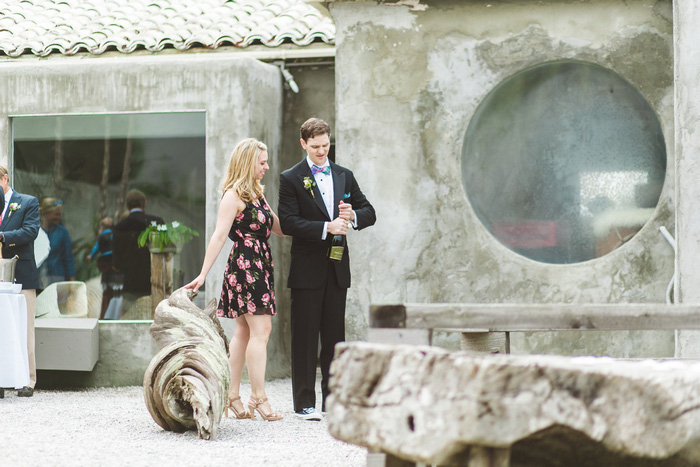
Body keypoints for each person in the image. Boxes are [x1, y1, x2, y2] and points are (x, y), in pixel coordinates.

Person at [278, 118, 376, 420]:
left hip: (336, 269)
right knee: (305, 339)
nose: (322, 151)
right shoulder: (291, 178)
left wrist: (352, 216)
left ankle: (332, 402)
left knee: (335, 339)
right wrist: (326, 227)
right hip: (307, 270)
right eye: (316, 146)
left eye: (326, 145)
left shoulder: (344, 175)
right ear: (303, 143)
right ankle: (304, 404)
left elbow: (370, 212)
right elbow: (288, 221)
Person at [186, 138, 284, 422]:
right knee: (261, 330)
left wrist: (317, 222)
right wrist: (203, 274)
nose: (266, 166)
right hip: (245, 266)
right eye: (262, 162)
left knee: (243, 331)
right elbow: (218, 236)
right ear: (248, 162)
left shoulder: (258, 194)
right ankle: (259, 397)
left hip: (260, 264)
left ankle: (232, 397)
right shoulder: (233, 195)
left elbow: (279, 228)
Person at [0, 165, 41, 397]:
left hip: (22, 273)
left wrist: (3, 236)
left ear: (5, 179)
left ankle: (28, 380)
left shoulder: (27, 202)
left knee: (25, 329)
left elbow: (30, 231)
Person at [112, 189, 164, 316]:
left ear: (127, 206)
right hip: (154, 285)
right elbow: (165, 253)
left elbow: (116, 264)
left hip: (129, 285)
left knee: (131, 319)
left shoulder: (118, 228)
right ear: (144, 203)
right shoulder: (157, 223)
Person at [38, 197, 76, 289]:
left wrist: (72, 283)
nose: (59, 217)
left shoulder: (63, 232)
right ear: (46, 212)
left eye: (60, 215)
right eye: (56, 214)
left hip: (57, 277)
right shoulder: (35, 231)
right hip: (37, 278)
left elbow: (69, 258)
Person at [87, 217, 116, 319]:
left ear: (102, 227)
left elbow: (96, 248)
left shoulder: (102, 236)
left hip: (104, 262)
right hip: (114, 262)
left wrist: (91, 256)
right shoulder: (114, 234)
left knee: (106, 291)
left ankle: (103, 316)